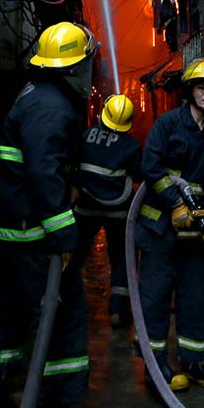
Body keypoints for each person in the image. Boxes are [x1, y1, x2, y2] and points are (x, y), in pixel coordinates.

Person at [0, 21, 93, 408]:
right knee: (61, 313)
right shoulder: (52, 106)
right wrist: (64, 237)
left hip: (6, 228)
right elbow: (44, 173)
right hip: (31, 234)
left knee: (3, 311)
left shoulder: (33, 94)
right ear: (76, 65)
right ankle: (54, 400)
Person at [137, 58, 204, 392]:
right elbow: (150, 167)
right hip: (162, 228)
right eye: (201, 87)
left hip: (196, 230)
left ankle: (195, 362)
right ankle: (157, 367)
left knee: (195, 295)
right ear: (190, 91)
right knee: (156, 296)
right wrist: (175, 204)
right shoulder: (168, 125)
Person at [67, 93, 143, 327]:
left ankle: (62, 300)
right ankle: (118, 311)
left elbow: (72, 165)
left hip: (85, 209)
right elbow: (139, 175)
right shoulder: (132, 146)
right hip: (118, 212)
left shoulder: (86, 136)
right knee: (121, 259)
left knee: (74, 256)